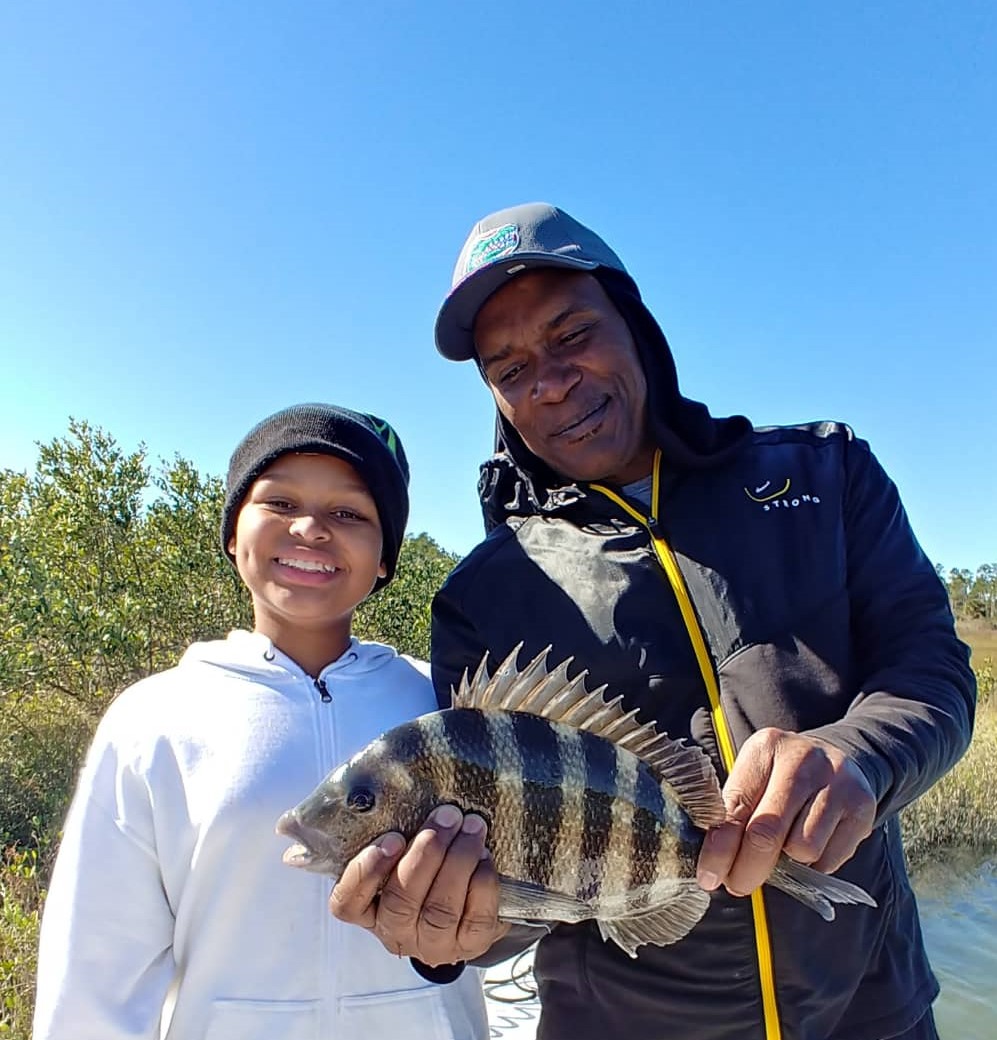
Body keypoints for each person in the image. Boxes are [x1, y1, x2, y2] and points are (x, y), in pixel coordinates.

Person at [328, 204, 977, 1040]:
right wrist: (459, 929)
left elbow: (933, 674)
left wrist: (856, 757)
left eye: (571, 336)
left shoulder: (825, 473)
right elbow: (520, 892)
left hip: (873, 1010)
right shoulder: (485, 593)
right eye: (510, 367)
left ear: (635, 326)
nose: (551, 381)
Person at [32, 403, 489, 1040]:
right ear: (231, 532)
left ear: (385, 556)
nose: (310, 528)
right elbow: (96, 966)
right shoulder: (154, 719)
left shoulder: (446, 708)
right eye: (279, 503)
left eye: (350, 513)